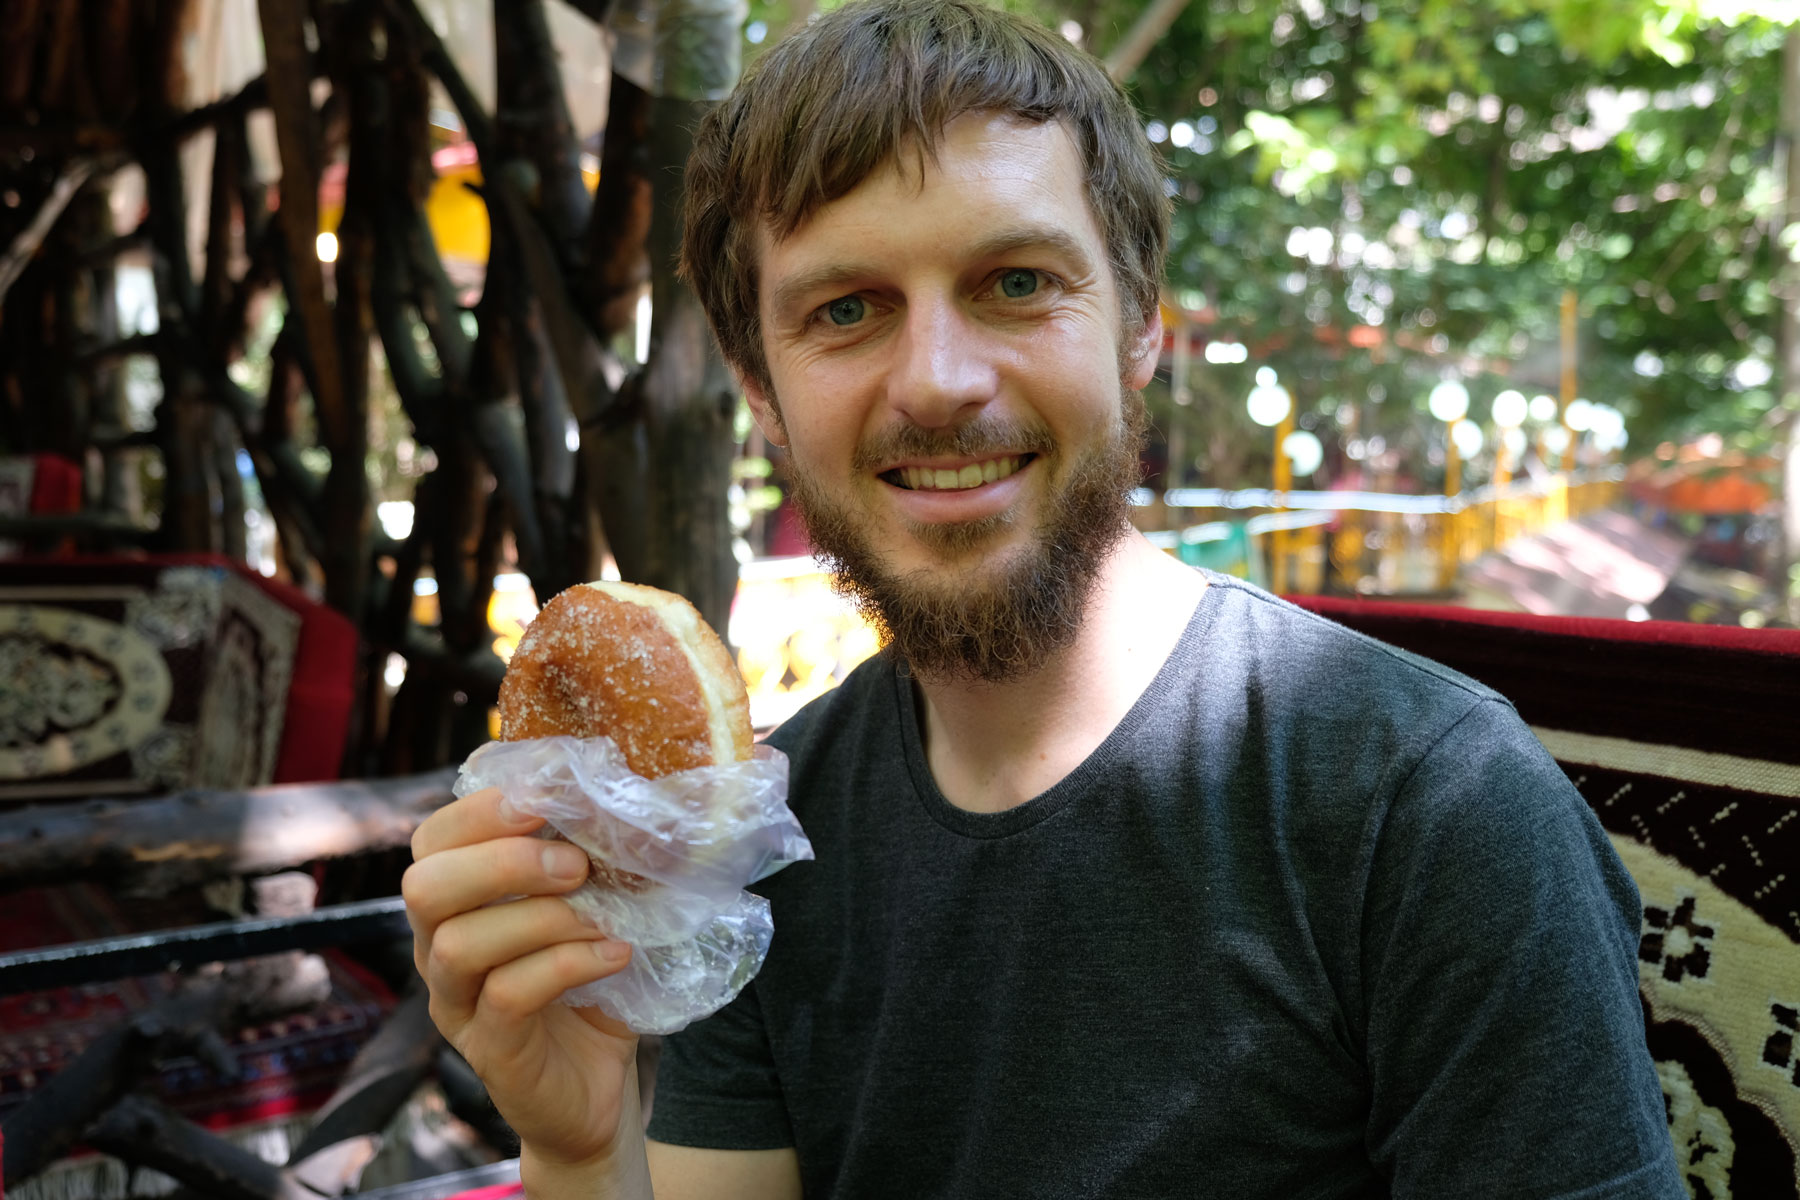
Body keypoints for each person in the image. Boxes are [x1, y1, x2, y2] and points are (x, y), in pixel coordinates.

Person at [402, 1, 1685, 1195]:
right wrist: (576, 1139)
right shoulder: (754, 844)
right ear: (763, 397)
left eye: (1017, 283)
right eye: (846, 310)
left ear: (1139, 334)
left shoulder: (1429, 810)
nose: (941, 381)